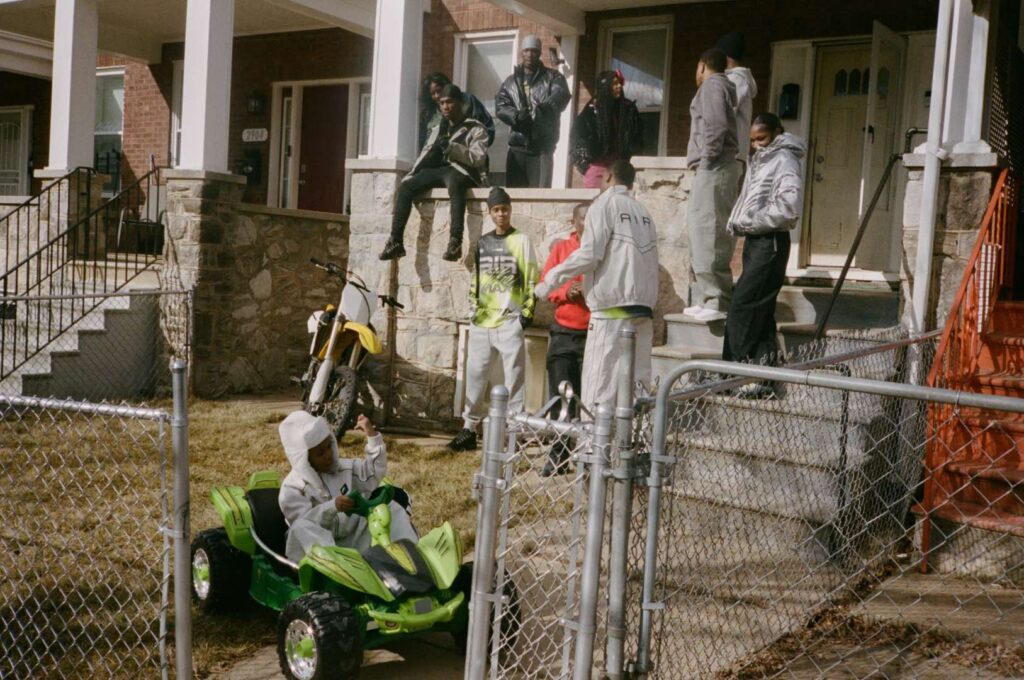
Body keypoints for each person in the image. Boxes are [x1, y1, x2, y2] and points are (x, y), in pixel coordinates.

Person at [535, 160, 658, 412]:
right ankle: (636, 436)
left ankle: (594, 438)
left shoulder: (603, 205)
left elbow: (589, 255)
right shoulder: (644, 213)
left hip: (611, 310)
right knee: (637, 390)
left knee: (598, 390)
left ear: (609, 176)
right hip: (643, 311)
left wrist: (549, 283)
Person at [449, 186, 539, 451]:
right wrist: (473, 311)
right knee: (475, 377)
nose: (501, 214)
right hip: (482, 322)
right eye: (497, 210)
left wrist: (525, 316)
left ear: (510, 210)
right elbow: (476, 279)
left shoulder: (521, 240)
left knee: (514, 380)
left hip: (510, 320)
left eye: (505, 209)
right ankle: (469, 429)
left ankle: (513, 432)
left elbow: (531, 277)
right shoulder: (483, 242)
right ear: (490, 213)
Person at [724, 113, 806, 399]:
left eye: (762, 138)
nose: (756, 145)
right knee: (760, 309)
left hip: (770, 240)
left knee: (742, 305)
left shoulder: (785, 158)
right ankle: (763, 376)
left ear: (777, 132)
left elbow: (789, 207)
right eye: (752, 140)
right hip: (756, 240)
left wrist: (749, 222)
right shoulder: (761, 159)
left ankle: (735, 372)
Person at [278, 411, 417, 562]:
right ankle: (334, 569)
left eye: (329, 446)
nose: (328, 454)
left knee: (391, 507)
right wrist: (333, 507)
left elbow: (373, 473)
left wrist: (372, 436)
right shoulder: (292, 489)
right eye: (320, 453)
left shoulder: (344, 469)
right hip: (321, 550)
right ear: (304, 460)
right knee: (300, 528)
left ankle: (410, 559)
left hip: (352, 539)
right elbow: (306, 522)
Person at [380, 84, 490, 263]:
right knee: (406, 186)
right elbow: (424, 154)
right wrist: (412, 174)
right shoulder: (438, 129)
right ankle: (396, 241)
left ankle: (455, 242)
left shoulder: (475, 128)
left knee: (454, 182)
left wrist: (452, 147)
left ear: (460, 103)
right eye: (442, 103)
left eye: (450, 102)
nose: (445, 107)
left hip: (464, 173)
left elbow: (477, 158)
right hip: (440, 172)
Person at [684, 48, 740, 323]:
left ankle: (717, 299)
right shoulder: (718, 88)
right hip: (715, 167)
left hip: (714, 167)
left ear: (703, 65)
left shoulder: (712, 86)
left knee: (709, 232)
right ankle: (707, 297)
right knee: (702, 232)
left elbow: (715, 127)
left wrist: (706, 162)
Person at [540, 202, 590, 475]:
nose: (589, 223)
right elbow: (546, 286)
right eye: (584, 218)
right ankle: (558, 457)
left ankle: (588, 460)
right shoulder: (562, 249)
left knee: (589, 401)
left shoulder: (601, 248)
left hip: (593, 336)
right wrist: (567, 291)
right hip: (563, 334)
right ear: (574, 222)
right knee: (561, 398)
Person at [495, 34, 571, 188]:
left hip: (542, 147)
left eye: (534, 51)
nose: (530, 54)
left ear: (540, 53)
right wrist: (516, 116)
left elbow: (561, 95)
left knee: (540, 194)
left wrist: (540, 112)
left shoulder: (553, 77)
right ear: (521, 52)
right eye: (527, 50)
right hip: (517, 147)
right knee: (515, 195)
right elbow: (501, 105)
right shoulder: (510, 82)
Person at [570, 70, 644, 188]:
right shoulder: (591, 111)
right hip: (597, 166)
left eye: (619, 83)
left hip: (620, 167)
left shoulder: (628, 109)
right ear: (605, 87)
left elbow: (638, 137)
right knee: (596, 198)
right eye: (614, 83)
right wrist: (585, 166)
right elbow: (578, 138)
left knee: (619, 198)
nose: (619, 86)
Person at [418, 72, 495, 149]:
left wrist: (476, 147)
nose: (437, 96)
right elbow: (423, 144)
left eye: (439, 91)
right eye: (433, 93)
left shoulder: (467, 100)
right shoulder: (429, 115)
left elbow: (487, 127)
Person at [715, 33, 758, 165]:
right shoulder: (735, 79)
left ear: (726, 56)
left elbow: (723, 114)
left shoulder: (735, 80)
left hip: (731, 154)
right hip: (733, 153)